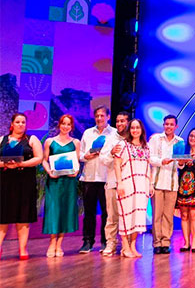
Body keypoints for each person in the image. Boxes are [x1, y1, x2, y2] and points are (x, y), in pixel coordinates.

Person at [0, 113, 43, 260]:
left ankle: (23, 249)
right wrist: (5, 165)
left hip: (25, 183)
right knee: (2, 216)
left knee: (23, 216)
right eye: (18, 122)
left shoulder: (32, 139)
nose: (20, 124)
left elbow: (39, 158)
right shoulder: (2, 139)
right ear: (12, 124)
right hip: (5, 183)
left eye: (23, 122)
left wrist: (21, 164)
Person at [42, 114, 81, 257]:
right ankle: (52, 242)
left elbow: (77, 162)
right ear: (59, 124)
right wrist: (49, 172)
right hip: (54, 181)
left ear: (72, 127)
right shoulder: (50, 141)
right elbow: (44, 160)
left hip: (68, 182)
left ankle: (59, 244)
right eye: (63, 123)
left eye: (68, 124)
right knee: (53, 210)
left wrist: (75, 171)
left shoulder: (76, 142)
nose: (65, 126)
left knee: (65, 210)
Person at [113, 118, 153, 258]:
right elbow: (116, 164)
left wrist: (150, 184)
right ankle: (125, 246)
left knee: (138, 216)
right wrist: (119, 183)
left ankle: (132, 246)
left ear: (141, 130)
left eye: (137, 128)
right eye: (132, 128)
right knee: (126, 215)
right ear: (129, 130)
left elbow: (148, 166)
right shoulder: (123, 145)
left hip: (142, 186)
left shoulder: (146, 147)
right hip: (127, 185)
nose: (135, 130)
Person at [78, 105, 115, 254]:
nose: (99, 118)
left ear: (108, 117)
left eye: (102, 116)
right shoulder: (88, 133)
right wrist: (86, 156)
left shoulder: (114, 134)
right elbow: (80, 154)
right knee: (89, 212)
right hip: (89, 177)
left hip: (106, 178)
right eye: (97, 116)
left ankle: (106, 242)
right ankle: (87, 241)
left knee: (107, 213)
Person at [148, 114, 183, 255]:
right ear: (163, 125)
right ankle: (157, 243)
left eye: (171, 124)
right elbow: (150, 158)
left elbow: (180, 164)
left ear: (176, 126)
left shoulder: (179, 141)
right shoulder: (156, 139)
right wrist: (162, 161)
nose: (168, 126)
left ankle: (166, 242)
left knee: (168, 215)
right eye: (166, 124)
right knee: (157, 215)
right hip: (157, 182)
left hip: (172, 183)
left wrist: (181, 162)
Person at [98, 111, 130, 256]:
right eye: (117, 121)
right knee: (112, 216)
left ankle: (127, 244)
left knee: (128, 216)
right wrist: (111, 152)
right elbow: (103, 159)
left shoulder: (134, 138)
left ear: (128, 122)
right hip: (113, 182)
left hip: (129, 183)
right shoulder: (111, 138)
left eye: (122, 121)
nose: (119, 124)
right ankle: (110, 242)